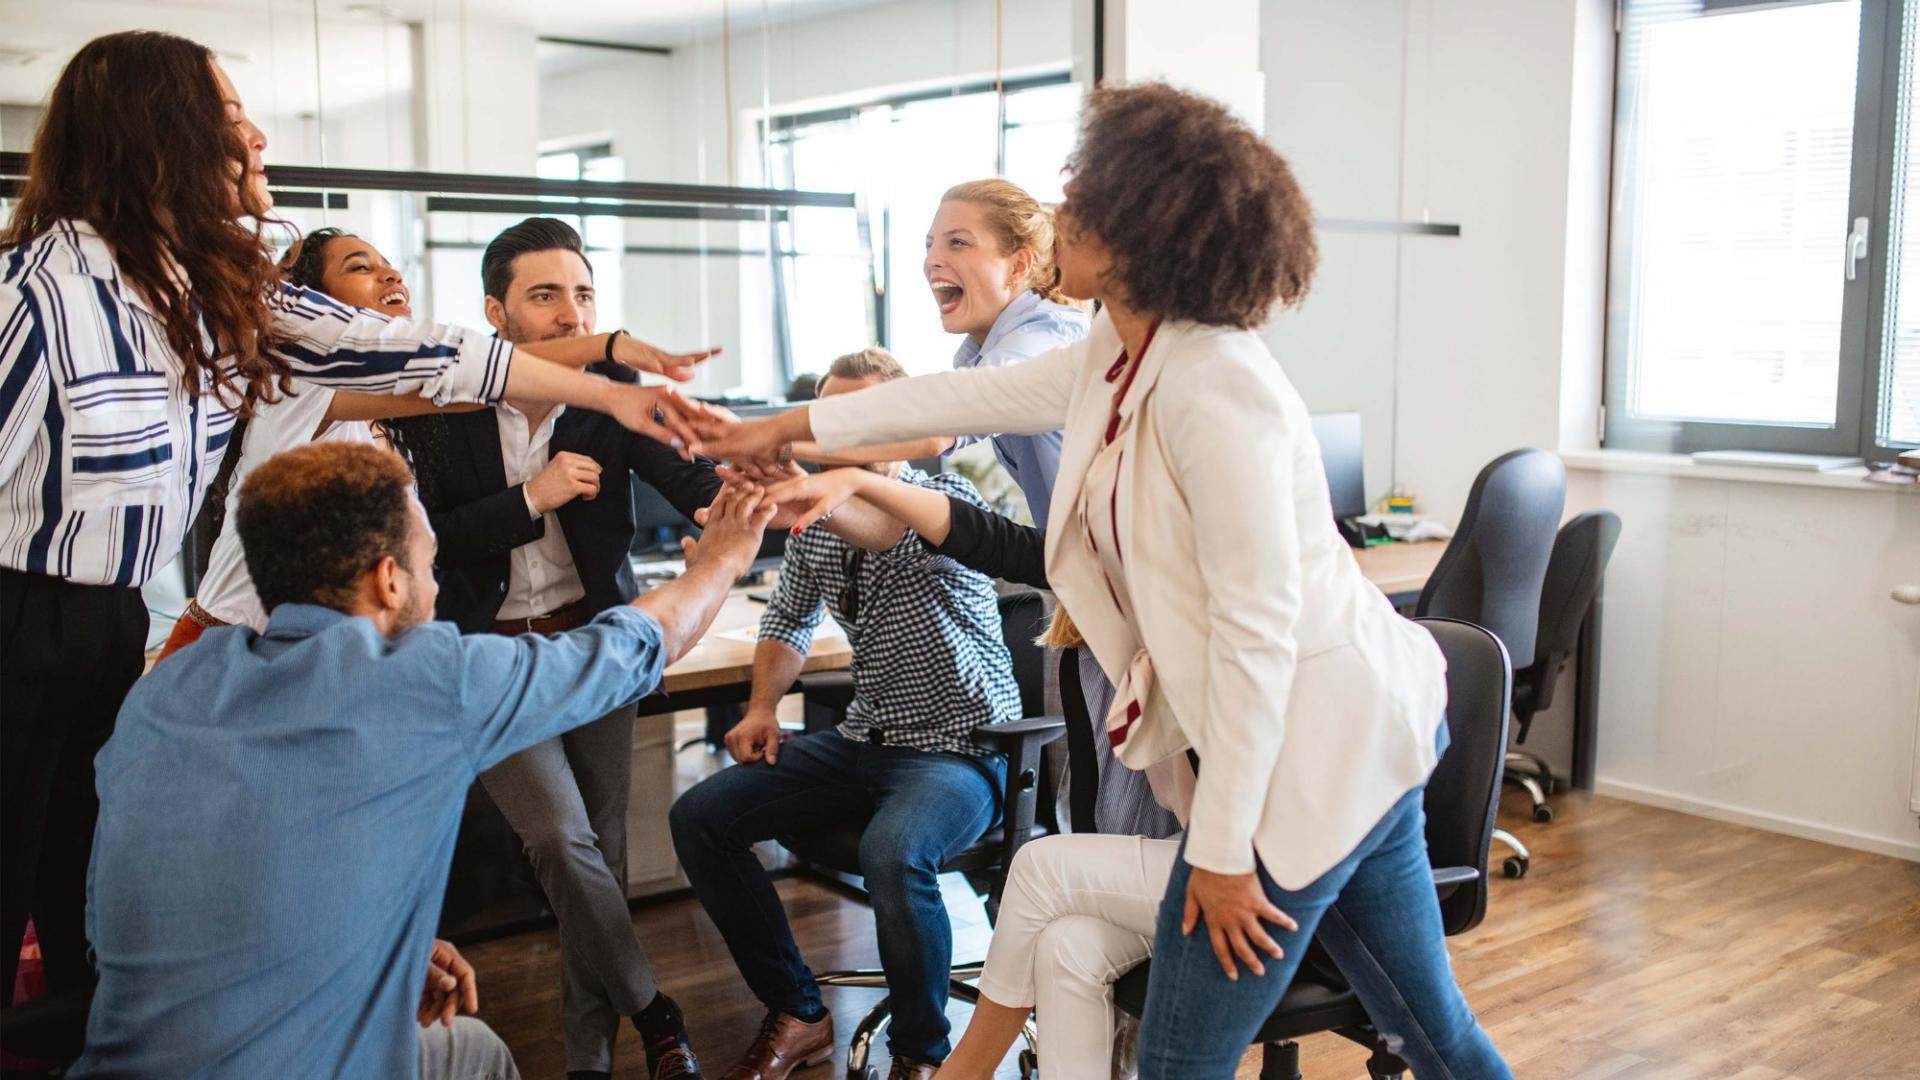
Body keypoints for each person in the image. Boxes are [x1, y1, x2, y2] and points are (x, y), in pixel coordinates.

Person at [688, 81, 1513, 1078]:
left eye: (1081, 190)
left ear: (1137, 227)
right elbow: (965, 393)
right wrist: (770, 431)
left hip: (1312, 753)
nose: (1060, 206)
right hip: (1342, 747)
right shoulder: (1117, 354)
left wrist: (1218, 853)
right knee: (1435, 1037)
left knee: (1181, 1063)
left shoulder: (1219, 387)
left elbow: (1256, 636)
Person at [0, 29, 711, 1007]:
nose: (254, 134)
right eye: (229, 112)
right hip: (20, 622)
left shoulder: (218, 292)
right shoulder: (35, 294)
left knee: (97, 929)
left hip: (109, 623)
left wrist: (625, 389)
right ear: (158, 134)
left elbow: (416, 350)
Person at [72, 440, 775, 1078]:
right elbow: (632, 647)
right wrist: (724, 559)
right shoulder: (419, 681)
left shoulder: (167, 688)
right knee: (476, 1052)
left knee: (474, 1050)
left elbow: (139, 911)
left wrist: (376, 944)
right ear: (389, 581)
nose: (436, 585)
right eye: (430, 562)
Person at [405, 217, 750, 1080]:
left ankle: (589, 1060)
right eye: (546, 294)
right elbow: (426, 541)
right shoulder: (441, 406)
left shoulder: (611, 395)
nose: (571, 312)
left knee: (601, 851)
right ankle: (653, 1008)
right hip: (490, 659)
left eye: (583, 293)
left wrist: (731, 503)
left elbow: (691, 479)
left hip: (594, 645)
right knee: (561, 843)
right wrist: (533, 497)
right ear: (498, 313)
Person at [737, 463, 1190, 1079]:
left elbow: (911, 527)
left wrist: (842, 486)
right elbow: (996, 542)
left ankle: (946, 1066)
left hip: (1233, 863)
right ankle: (801, 1012)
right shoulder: (1093, 621)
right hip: (874, 741)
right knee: (1065, 947)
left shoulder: (1194, 621)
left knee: (1018, 866)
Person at [667, 348, 1021, 1080]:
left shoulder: (945, 504)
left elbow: (883, 529)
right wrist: (763, 705)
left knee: (892, 852)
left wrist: (815, 492)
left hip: (962, 750)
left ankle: (922, 1056)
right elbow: (789, 620)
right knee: (701, 816)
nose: (840, 437)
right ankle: (799, 1012)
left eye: (861, 420)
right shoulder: (821, 518)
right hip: (866, 738)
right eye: (831, 421)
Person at [156, 225, 714, 656]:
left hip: (335, 652)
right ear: (317, 310)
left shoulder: (400, 419)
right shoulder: (301, 385)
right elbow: (484, 373)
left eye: (391, 267)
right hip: (237, 646)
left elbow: (481, 376)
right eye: (361, 268)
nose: (392, 277)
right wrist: (607, 347)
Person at [792, 179, 1087, 526]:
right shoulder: (986, 350)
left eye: (958, 243)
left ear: (1018, 266)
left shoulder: (1043, 339)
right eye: (929, 245)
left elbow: (933, 431)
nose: (931, 260)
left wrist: (776, 444)